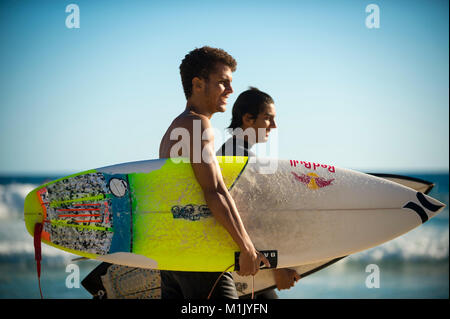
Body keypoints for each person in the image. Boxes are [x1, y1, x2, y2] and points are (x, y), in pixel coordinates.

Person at [158, 46, 270, 299]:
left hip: (173, 258)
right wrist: (246, 246)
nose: (231, 91)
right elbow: (215, 191)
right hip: (199, 258)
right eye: (223, 83)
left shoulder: (177, 126)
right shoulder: (196, 124)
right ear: (198, 84)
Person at [217, 87, 301, 299]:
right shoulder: (239, 158)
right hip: (242, 261)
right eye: (268, 118)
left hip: (237, 259)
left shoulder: (231, 151)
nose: (274, 126)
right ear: (248, 118)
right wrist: (278, 268)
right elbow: (251, 218)